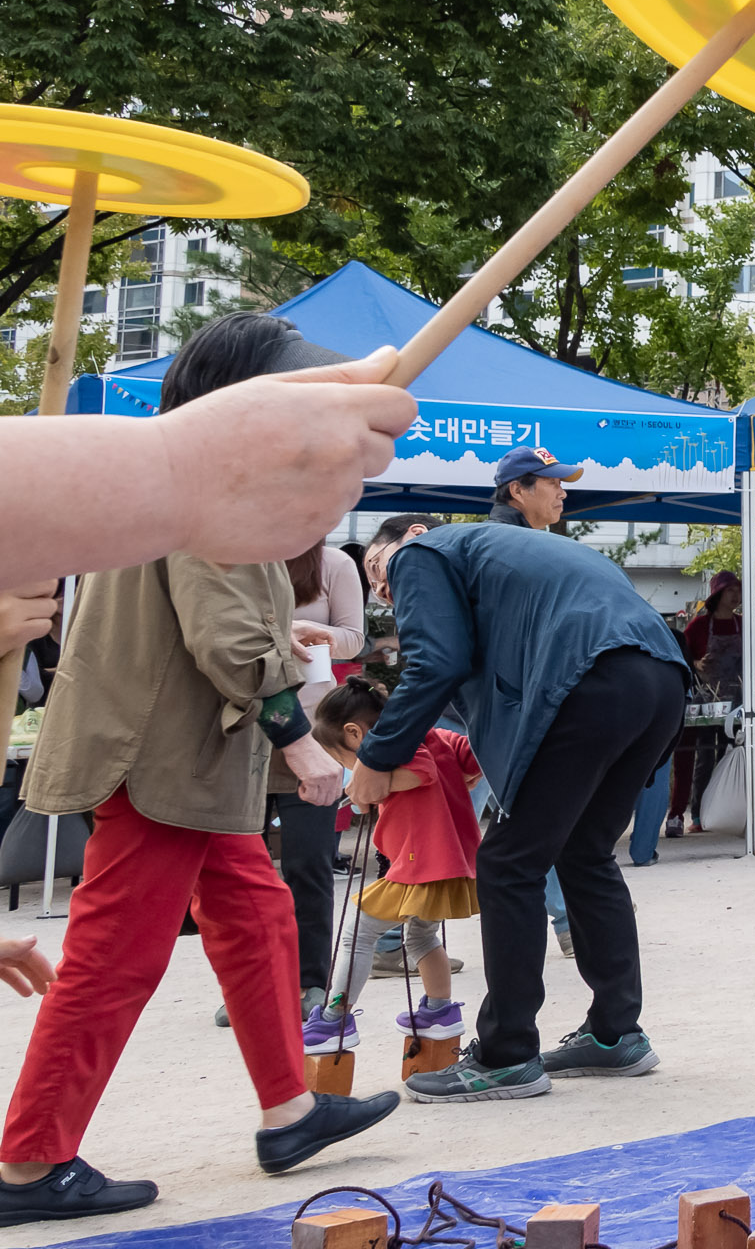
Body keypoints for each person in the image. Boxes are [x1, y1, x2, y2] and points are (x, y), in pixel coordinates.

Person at [0, 315, 400, 1224]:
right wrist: (299, 741)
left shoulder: (170, 475)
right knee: (115, 957)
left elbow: (208, 620)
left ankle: (288, 1108)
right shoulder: (216, 483)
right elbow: (225, 636)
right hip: (159, 756)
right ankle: (28, 1161)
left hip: (181, 755)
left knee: (257, 919)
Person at [354, 511, 688, 1102]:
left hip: (593, 675)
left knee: (509, 862)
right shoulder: (509, 553)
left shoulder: (421, 554)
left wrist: (377, 756)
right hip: (658, 678)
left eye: (375, 569)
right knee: (585, 854)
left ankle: (508, 1054)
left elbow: (438, 662)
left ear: (408, 537)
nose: (383, 590)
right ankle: (615, 1035)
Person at [0, 349, 415, 595]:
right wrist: (186, 469)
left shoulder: (196, 526)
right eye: (283, 403)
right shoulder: (194, 534)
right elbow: (233, 648)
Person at [305, 678, 477, 1051]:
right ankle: (439, 1010)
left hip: (419, 865)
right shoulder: (434, 735)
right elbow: (470, 759)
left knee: (357, 933)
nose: (351, 769)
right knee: (420, 937)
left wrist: (370, 785)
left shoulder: (397, 743)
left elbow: (422, 771)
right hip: (449, 863)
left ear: (354, 734)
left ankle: (334, 1020)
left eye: (344, 760)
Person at [270, 540, 365, 1011]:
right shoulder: (237, 553)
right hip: (241, 731)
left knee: (308, 864)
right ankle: (256, 985)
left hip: (308, 731)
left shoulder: (334, 563)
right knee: (239, 874)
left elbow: (354, 637)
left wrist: (310, 629)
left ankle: (311, 982)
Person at [667, 570, 740, 836]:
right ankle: (687, 813)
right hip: (701, 699)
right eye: (731, 589)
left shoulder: (744, 625)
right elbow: (680, 658)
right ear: (717, 594)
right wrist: (697, 663)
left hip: (736, 701)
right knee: (696, 758)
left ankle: (724, 812)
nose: (736, 595)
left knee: (730, 757)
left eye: (738, 589)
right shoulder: (697, 626)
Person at [489, 443, 578, 531]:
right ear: (518, 491)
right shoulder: (509, 542)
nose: (563, 494)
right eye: (552, 483)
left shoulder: (497, 538)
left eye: (559, 484)